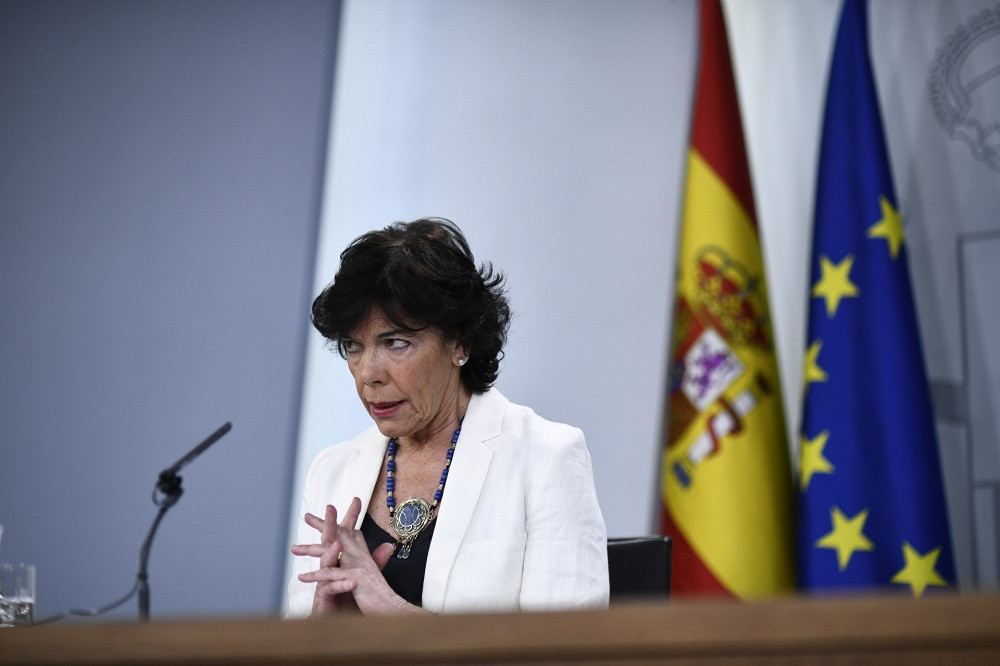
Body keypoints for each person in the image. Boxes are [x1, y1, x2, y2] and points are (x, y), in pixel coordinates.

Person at [286, 217, 608, 616]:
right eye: (353, 346)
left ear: (460, 342)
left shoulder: (545, 457)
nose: (369, 373)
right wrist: (324, 630)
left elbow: (567, 654)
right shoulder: (329, 472)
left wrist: (388, 610)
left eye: (396, 342)